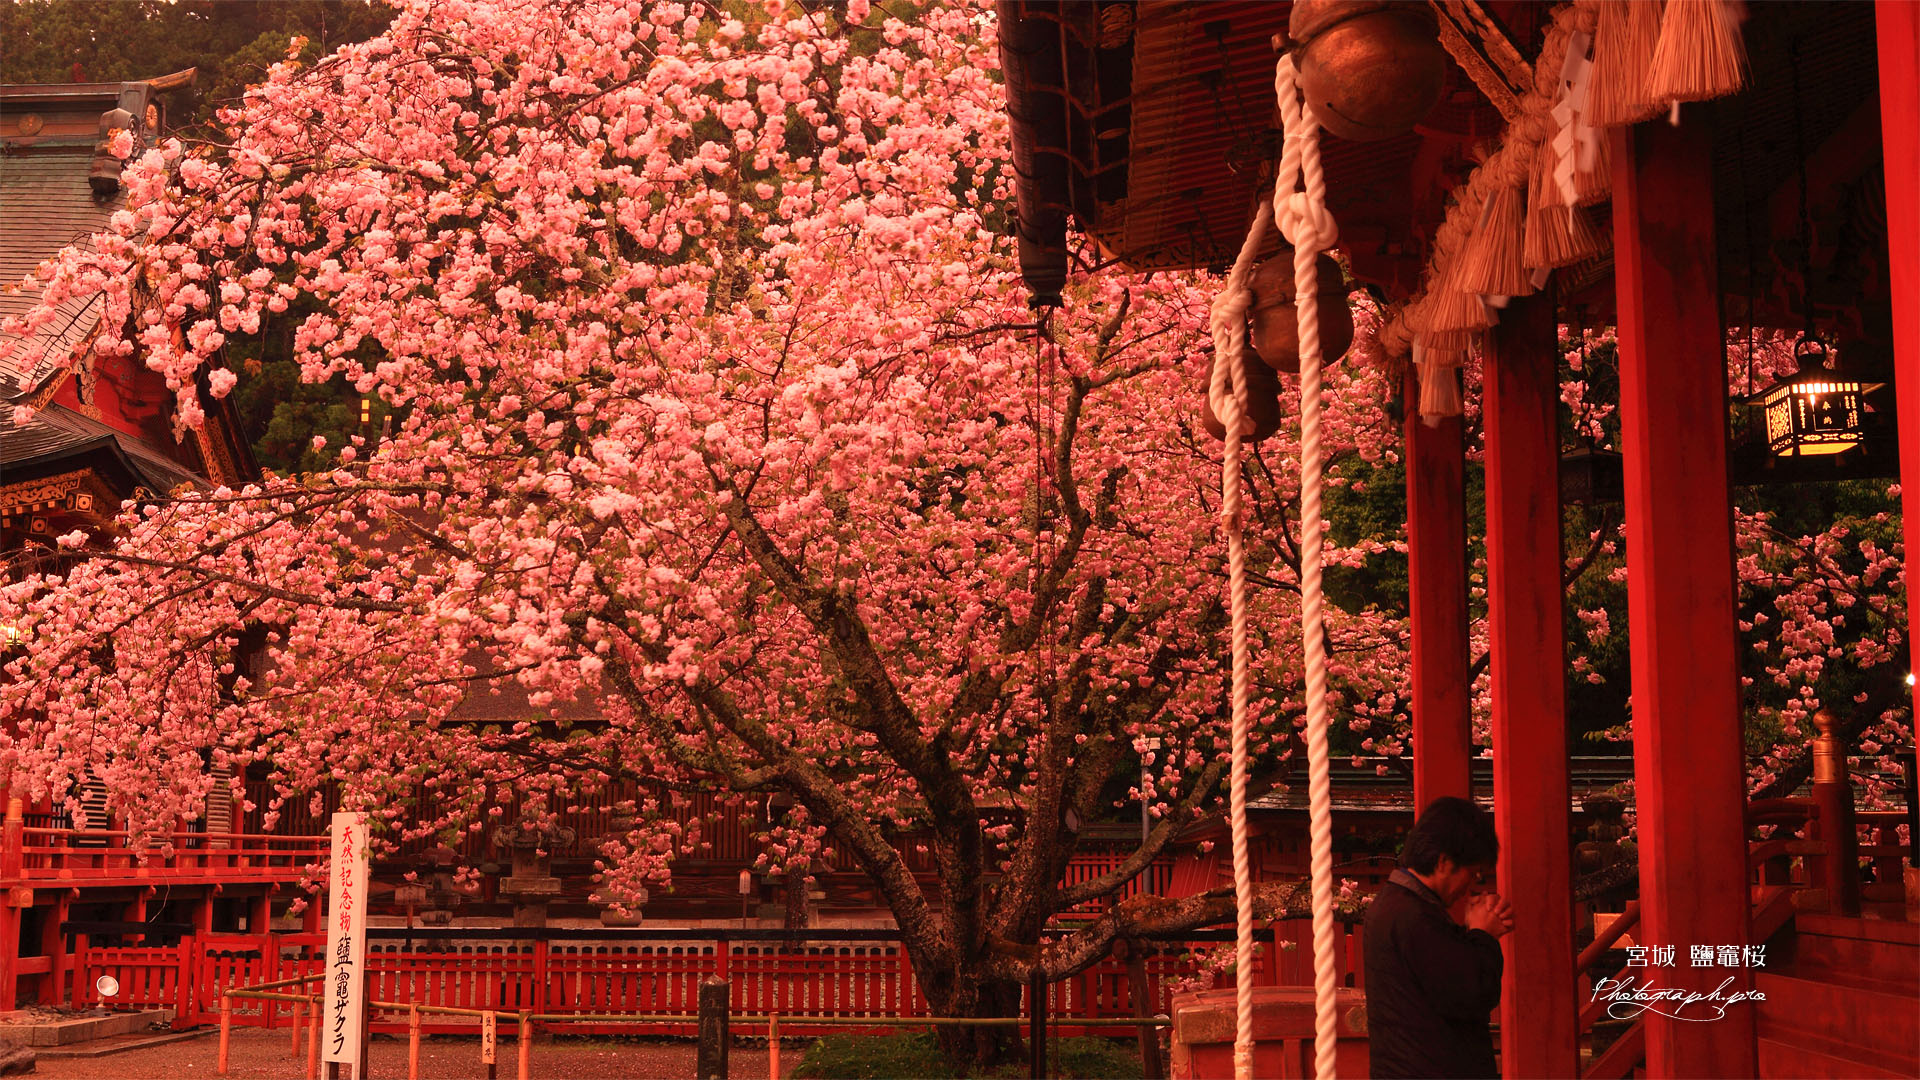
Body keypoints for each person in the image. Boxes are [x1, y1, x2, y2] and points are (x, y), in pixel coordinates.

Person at [1363, 795, 1515, 1079]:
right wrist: (1483, 935)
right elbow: (1471, 993)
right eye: (1472, 874)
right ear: (1444, 862)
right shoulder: (1413, 916)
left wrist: (1472, 932)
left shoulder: (1401, 907)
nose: (1470, 886)